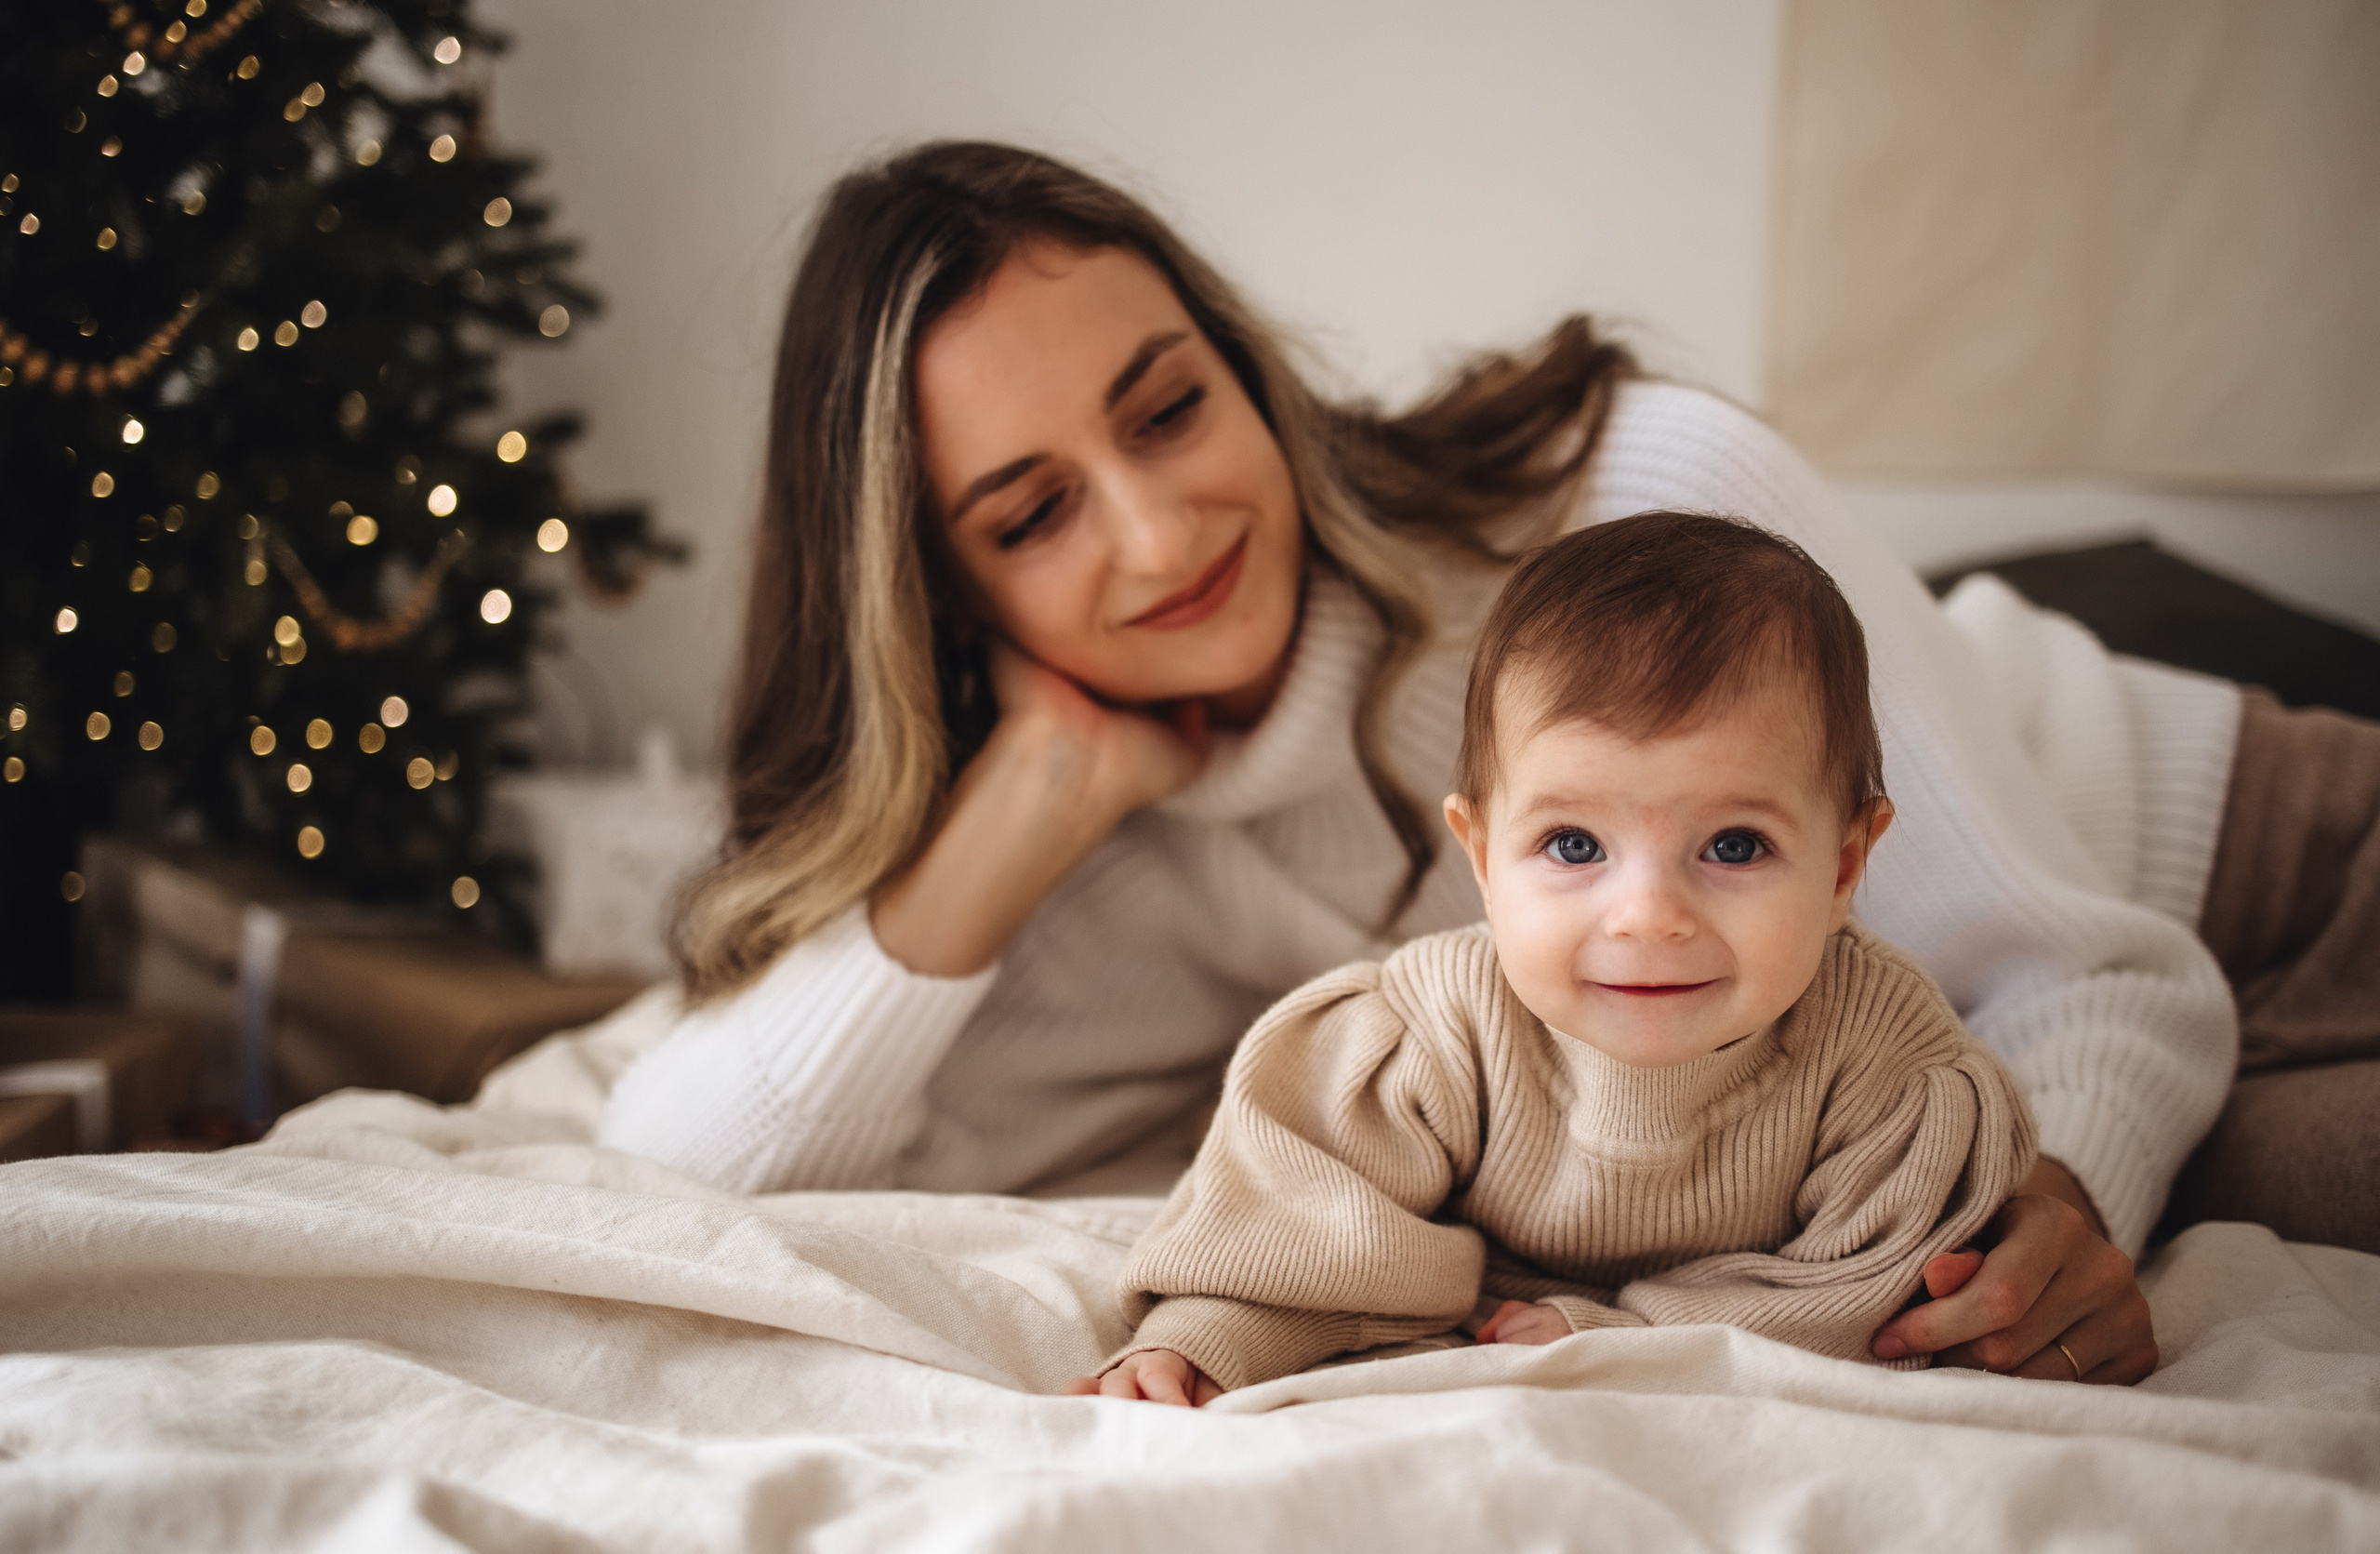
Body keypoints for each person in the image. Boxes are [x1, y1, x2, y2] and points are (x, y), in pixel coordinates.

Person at [599, 139, 2248, 1386]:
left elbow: (2099, 974)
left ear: (1246, 370)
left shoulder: (1633, 495)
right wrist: (1027, 803)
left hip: (2241, 850)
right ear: (934, 595)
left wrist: (2064, 1192)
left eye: (1169, 409)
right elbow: (674, 1172)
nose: (1164, 533)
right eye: (1032, 516)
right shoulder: (1086, 863)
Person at [1082, 512, 2037, 1404]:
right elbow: (1307, 1215)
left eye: (1734, 846)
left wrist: (1616, 1334)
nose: (1648, 917)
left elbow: (1858, 1297)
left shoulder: (1882, 1056)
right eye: (1574, 846)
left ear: (1842, 867)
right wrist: (1208, 1336)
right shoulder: (1441, 1028)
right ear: (1483, 857)